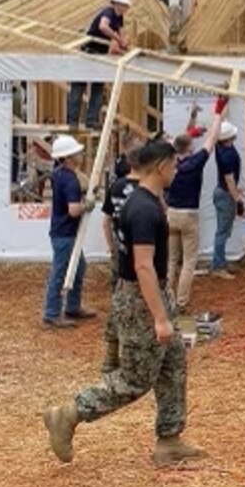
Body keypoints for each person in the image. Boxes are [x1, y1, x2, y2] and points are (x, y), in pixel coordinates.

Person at [42, 139, 206, 467]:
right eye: (174, 165)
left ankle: (169, 439)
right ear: (161, 166)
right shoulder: (143, 208)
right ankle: (69, 414)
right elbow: (143, 266)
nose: (176, 171)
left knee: (175, 362)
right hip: (143, 299)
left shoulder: (141, 199)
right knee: (135, 379)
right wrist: (160, 317)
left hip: (153, 293)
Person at [167, 97, 227, 311]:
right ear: (190, 146)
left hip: (171, 212)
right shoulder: (195, 163)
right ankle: (182, 302)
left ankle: (168, 298)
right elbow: (212, 137)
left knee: (171, 260)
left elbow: (179, 141)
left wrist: (191, 125)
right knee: (189, 261)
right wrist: (218, 111)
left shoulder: (170, 161)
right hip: (189, 215)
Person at [43, 135, 98, 329]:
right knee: (60, 272)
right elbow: (74, 210)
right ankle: (51, 314)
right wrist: (87, 205)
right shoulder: (69, 179)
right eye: (77, 152)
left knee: (78, 267)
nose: (81, 154)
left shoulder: (59, 173)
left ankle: (72, 307)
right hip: (65, 232)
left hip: (63, 231)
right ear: (68, 157)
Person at [99, 140, 144, 373]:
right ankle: (132, 357)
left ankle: (111, 355)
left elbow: (106, 220)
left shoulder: (116, 186)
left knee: (118, 301)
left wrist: (111, 247)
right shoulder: (147, 189)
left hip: (121, 249)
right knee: (138, 304)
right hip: (142, 253)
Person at [68, 0, 131, 130]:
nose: (126, 8)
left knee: (97, 89)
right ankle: (72, 122)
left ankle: (91, 121)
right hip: (88, 53)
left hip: (100, 54)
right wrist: (119, 39)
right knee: (78, 88)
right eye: (125, 5)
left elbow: (116, 40)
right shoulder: (108, 13)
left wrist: (122, 47)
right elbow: (103, 26)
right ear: (117, 4)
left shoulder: (119, 18)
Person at [211, 119, 243, 278]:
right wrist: (237, 198)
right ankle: (218, 265)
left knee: (222, 230)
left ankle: (220, 261)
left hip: (221, 192)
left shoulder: (220, 148)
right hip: (225, 194)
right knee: (223, 231)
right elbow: (230, 180)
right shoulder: (229, 155)